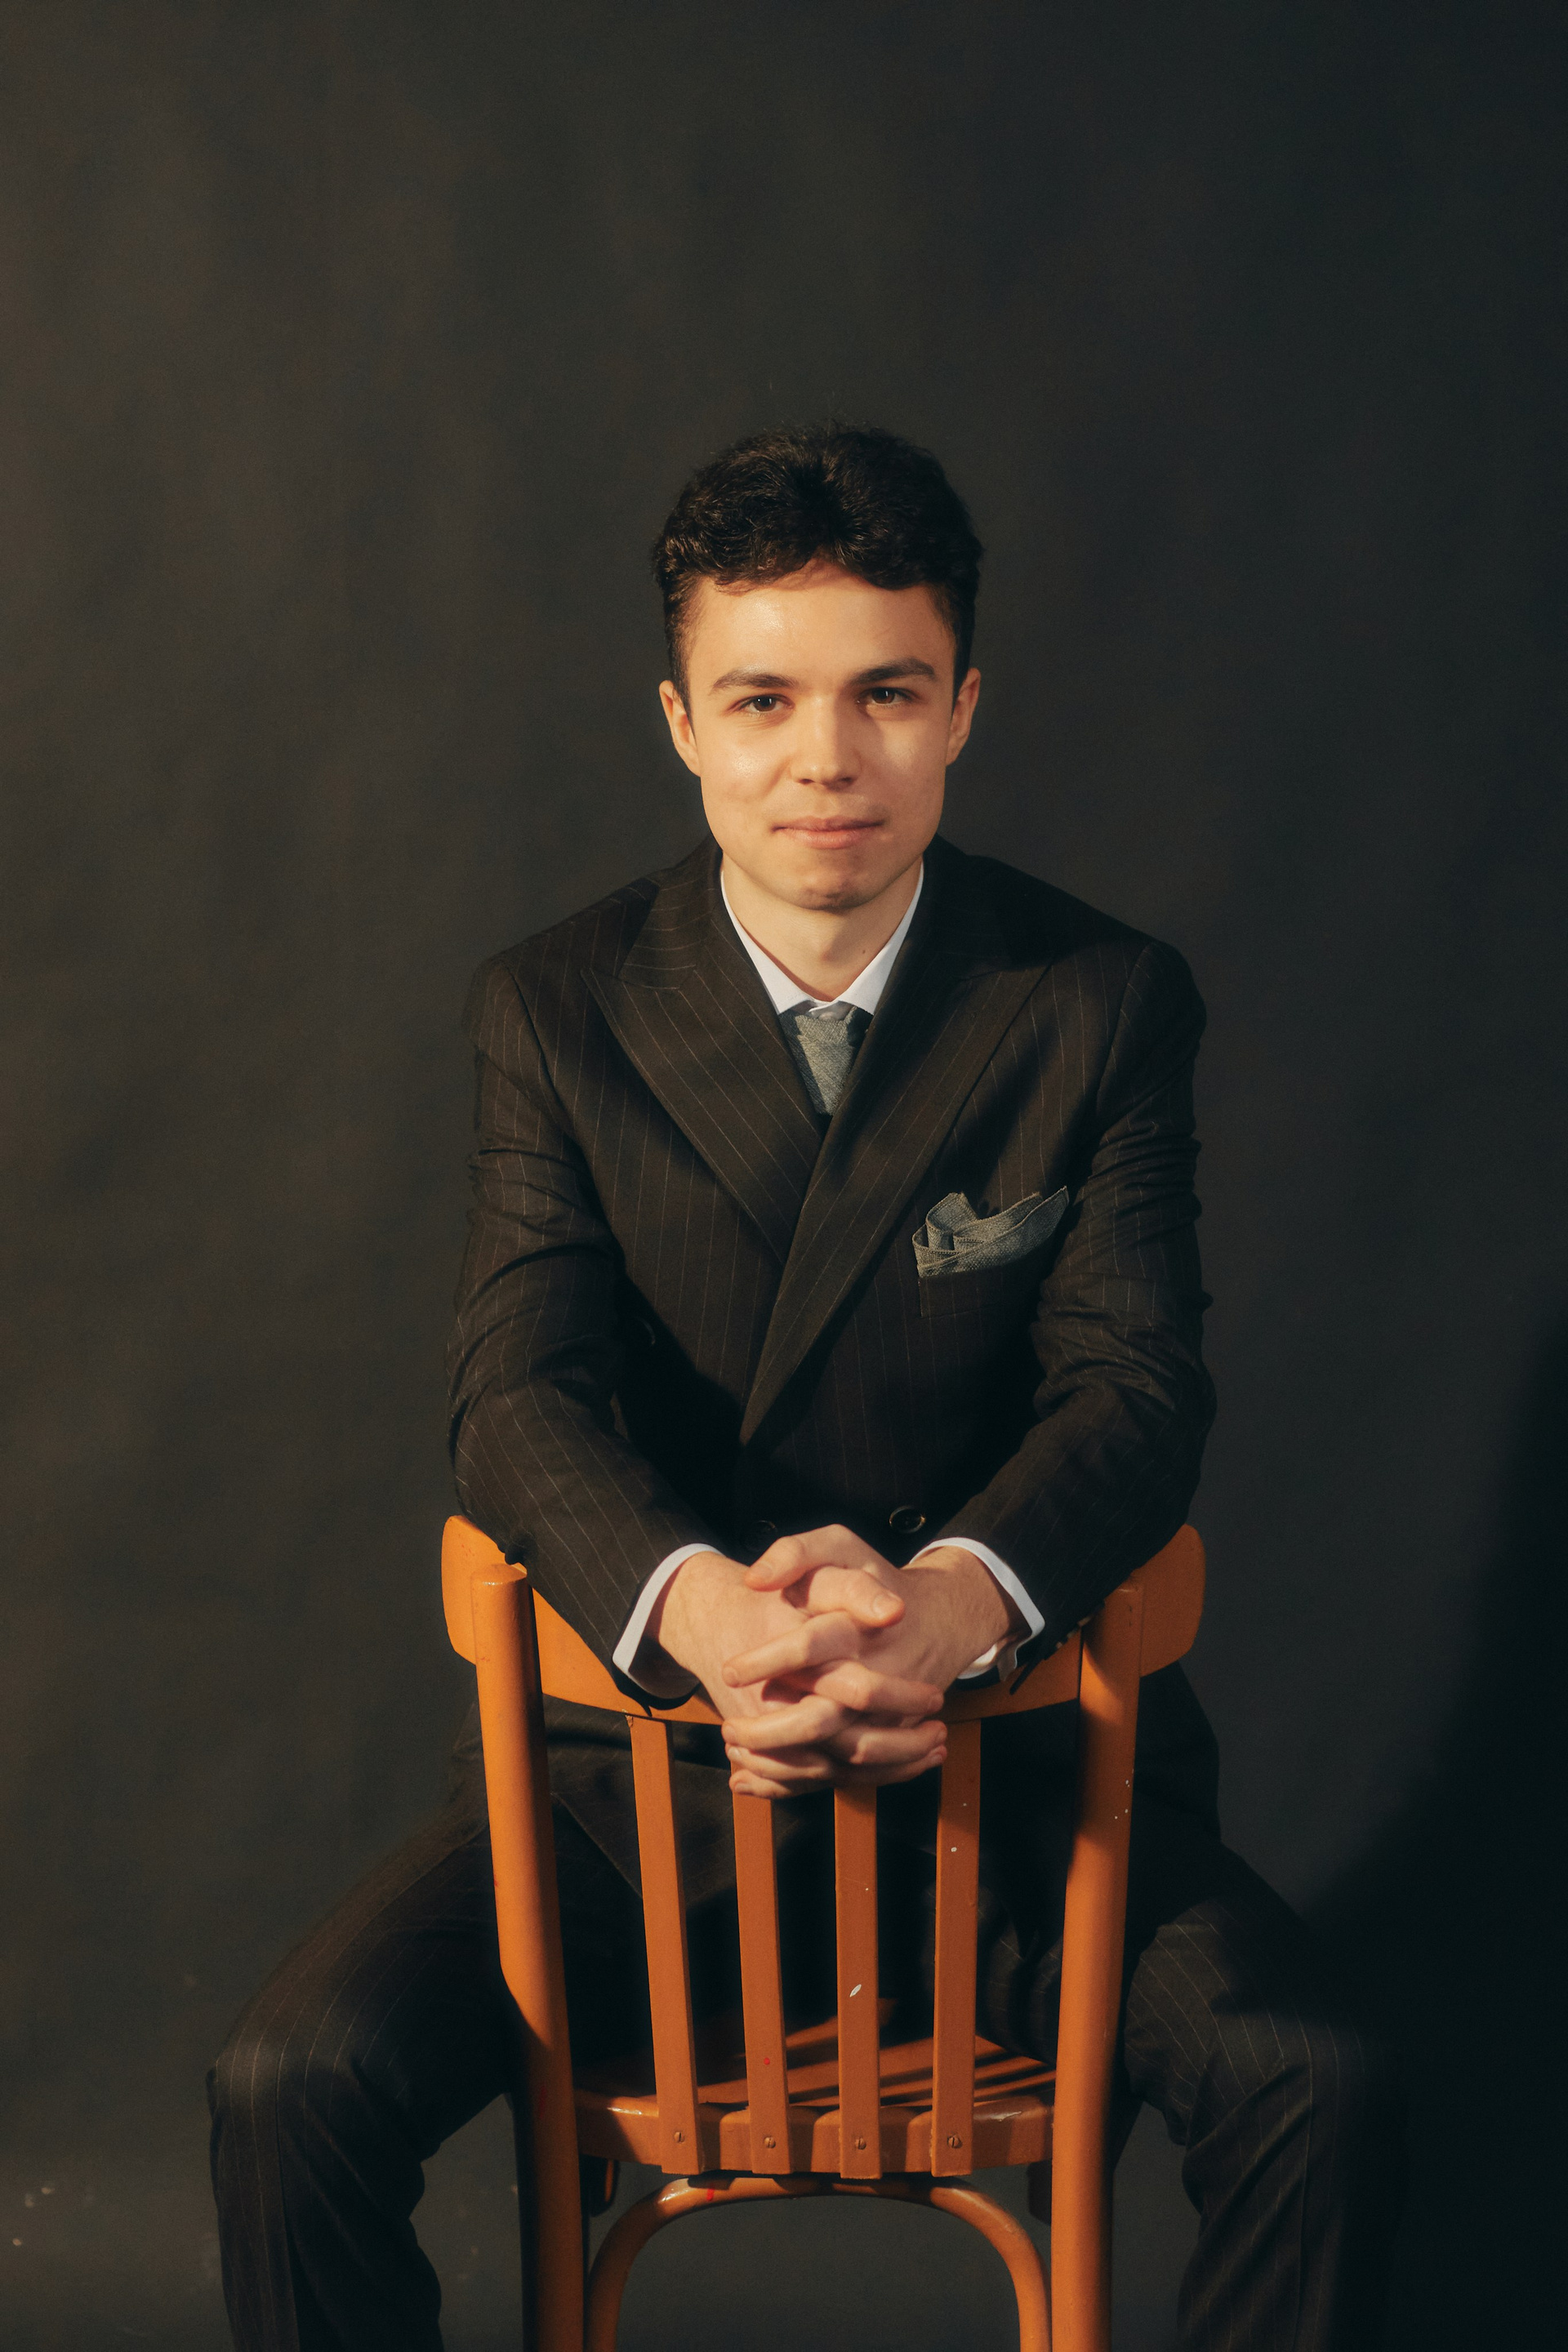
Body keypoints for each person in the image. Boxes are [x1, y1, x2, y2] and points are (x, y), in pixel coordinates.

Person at [209, 422, 1404, 2350]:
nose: (825, 758)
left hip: (1013, 1784)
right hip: (634, 1794)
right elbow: (516, 1394)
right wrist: (707, 1627)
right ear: (682, 721)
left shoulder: (1097, 1000)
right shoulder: (556, 1008)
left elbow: (1135, 1389)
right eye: (763, 699)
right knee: (292, 2085)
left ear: (963, 709)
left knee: (1315, 2082)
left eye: (886, 694)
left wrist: (948, 1610)